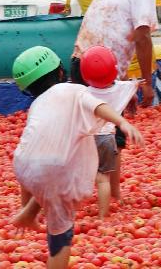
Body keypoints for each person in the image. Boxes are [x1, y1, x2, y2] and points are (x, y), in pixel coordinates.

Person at [11, 46, 143, 269]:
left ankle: (28, 212)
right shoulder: (72, 90)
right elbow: (98, 104)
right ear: (61, 72)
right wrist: (122, 122)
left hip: (23, 165)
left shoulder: (37, 104)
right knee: (61, 234)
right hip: (55, 168)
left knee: (50, 182)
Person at [73, 45, 139, 219]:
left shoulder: (82, 93)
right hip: (108, 139)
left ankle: (72, 206)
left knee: (77, 173)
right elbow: (133, 86)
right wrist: (137, 86)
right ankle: (103, 215)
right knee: (103, 179)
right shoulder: (120, 89)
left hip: (88, 139)